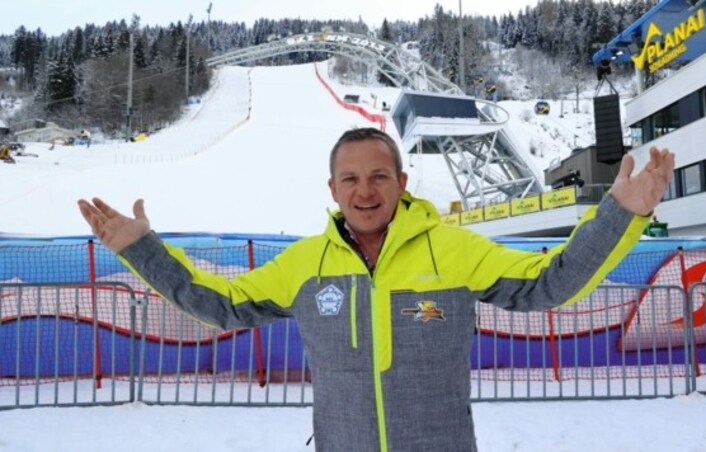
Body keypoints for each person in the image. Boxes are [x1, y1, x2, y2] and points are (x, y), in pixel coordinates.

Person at [78, 127, 674, 452]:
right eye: (351, 179)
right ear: (333, 189)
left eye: (379, 176)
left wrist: (619, 215)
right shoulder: (304, 264)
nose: (366, 191)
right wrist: (141, 249)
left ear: (402, 181)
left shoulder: (453, 248)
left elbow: (550, 284)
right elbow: (216, 305)